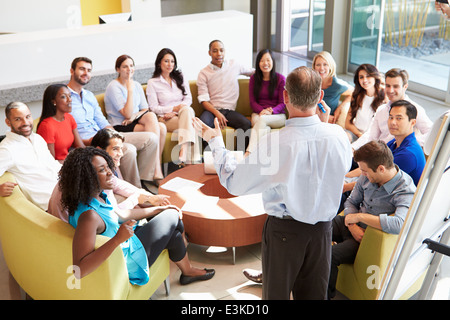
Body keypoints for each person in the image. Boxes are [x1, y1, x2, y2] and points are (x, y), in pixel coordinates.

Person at [193, 66, 353, 300]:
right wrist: (324, 125)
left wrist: (216, 142)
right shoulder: (338, 135)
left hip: (285, 233)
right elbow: (339, 169)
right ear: (320, 97)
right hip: (322, 232)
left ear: (285, 96)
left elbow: (235, 184)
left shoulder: (276, 143)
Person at [59, 147, 215, 286]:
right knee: (173, 216)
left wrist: (158, 209)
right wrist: (117, 239)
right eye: (102, 170)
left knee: (172, 226)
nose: (110, 172)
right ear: (87, 177)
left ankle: (187, 271)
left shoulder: (95, 198)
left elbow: (120, 214)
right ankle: (185, 252)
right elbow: (79, 270)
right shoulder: (89, 217)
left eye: (108, 167)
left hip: (128, 245)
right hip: (127, 263)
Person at [328, 140, 416, 299]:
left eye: (365, 171)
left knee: (328, 255)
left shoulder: (405, 189)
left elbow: (399, 224)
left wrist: (360, 217)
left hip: (366, 238)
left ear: (381, 168)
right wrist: (352, 222)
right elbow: (351, 201)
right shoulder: (367, 176)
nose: (362, 174)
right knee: (315, 230)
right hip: (351, 225)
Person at [68, 57, 161, 189]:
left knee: (151, 138)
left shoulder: (89, 95)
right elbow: (67, 129)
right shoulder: (65, 97)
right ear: (72, 71)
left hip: (105, 135)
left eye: (89, 70)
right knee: (129, 150)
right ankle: (135, 189)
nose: (86, 73)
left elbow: (101, 120)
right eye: (82, 69)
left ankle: (145, 180)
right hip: (90, 141)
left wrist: (115, 136)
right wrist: (88, 141)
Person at [351, 68, 433, 151]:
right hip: (379, 153)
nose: (391, 90)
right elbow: (371, 136)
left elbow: (432, 133)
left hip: (398, 155)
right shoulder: (381, 110)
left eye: (395, 86)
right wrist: (353, 147)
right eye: (388, 86)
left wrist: (408, 142)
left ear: (405, 87)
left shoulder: (415, 109)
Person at [0, 102, 61, 210]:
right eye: (18, 119)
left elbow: (52, 165)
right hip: (51, 205)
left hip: (67, 192)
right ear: (8, 122)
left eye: (28, 117)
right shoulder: (6, 149)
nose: (26, 123)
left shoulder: (37, 138)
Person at [197, 40, 254, 149]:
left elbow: (252, 72)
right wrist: (217, 113)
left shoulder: (234, 65)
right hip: (211, 111)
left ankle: (238, 157)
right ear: (209, 53)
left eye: (221, 50)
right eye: (215, 51)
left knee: (246, 124)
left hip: (229, 112)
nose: (219, 54)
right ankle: (208, 159)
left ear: (224, 52)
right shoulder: (203, 73)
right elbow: (204, 101)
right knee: (203, 125)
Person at [146, 48, 199, 166]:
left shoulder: (180, 76)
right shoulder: (152, 82)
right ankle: (191, 164)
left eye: (172, 61)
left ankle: (184, 151)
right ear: (159, 63)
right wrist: (172, 110)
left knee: (188, 111)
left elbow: (188, 99)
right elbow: (153, 107)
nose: (170, 64)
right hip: (165, 119)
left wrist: (175, 112)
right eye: (166, 61)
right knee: (192, 123)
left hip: (181, 115)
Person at [246, 49, 286, 155]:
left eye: (268, 60)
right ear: (258, 63)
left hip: (278, 116)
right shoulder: (254, 79)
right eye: (262, 60)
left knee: (262, 120)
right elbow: (252, 102)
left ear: (273, 61)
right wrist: (263, 111)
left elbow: (283, 103)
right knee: (265, 128)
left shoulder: (281, 79)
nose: (265, 63)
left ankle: (249, 153)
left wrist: (271, 111)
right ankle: (263, 157)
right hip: (258, 114)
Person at [36, 84, 85, 162]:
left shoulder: (69, 118)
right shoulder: (47, 126)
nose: (70, 100)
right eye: (64, 97)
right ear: (53, 101)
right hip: (59, 168)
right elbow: (50, 162)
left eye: (70, 96)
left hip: (71, 162)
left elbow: (80, 147)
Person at [387, 100, 426, 186]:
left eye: (399, 118)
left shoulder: (408, 154)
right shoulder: (394, 142)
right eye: (391, 117)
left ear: (412, 122)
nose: (392, 122)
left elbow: (377, 181)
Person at [345, 64, 385, 143]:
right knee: (343, 138)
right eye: (361, 77)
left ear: (375, 77)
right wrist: (360, 135)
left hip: (372, 139)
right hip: (355, 133)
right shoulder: (356, 96)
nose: (365, 80)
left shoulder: (384, 97)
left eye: (368, 76)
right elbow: (347, 123)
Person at [312, 51, 353, 124]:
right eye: (318, 65)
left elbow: (354, 93)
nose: (321, 68)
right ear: (314, 67)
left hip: (328, 123)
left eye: (325, 64)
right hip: (311, 119)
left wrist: (340, 108)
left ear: (330, 66)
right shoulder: (309, 82)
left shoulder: (337, 85)